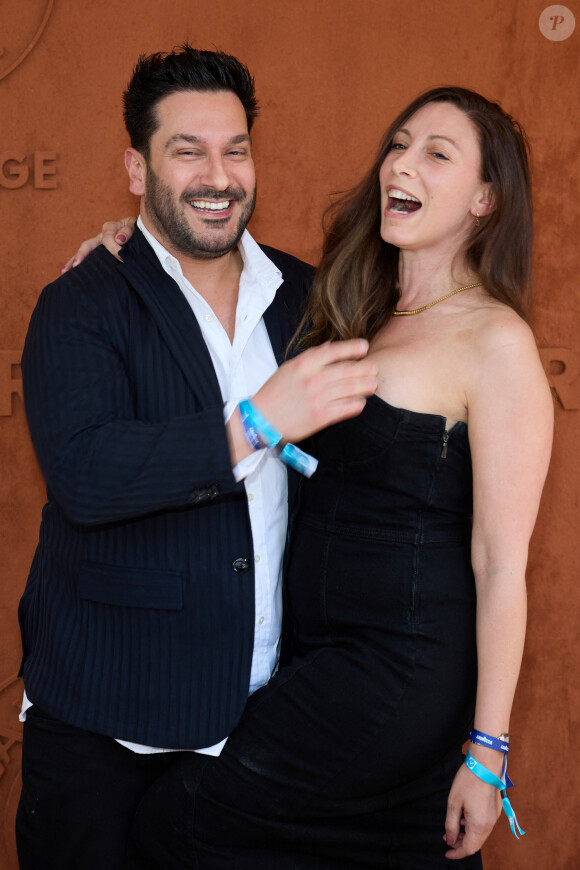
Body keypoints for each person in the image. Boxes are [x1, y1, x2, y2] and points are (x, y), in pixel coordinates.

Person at [80, 86, 552, 868]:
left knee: (176, 824)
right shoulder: (346, 303)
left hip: (394, 672)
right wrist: (127, 249)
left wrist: (488, 750)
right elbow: (214, 270)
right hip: (312, 657)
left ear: (485, 198)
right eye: (399, 144)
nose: (402, 162)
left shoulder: (495, 341)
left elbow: (501, 565)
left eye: (437, 153)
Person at [15, 45, 378, 870]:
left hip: (263, 721)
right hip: (106, 725)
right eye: (188, 150)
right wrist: (253, 420)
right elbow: (84, 474)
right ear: (136, 170)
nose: (218, 175)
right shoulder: (82, 299)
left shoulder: (307, 295)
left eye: (235, 148)